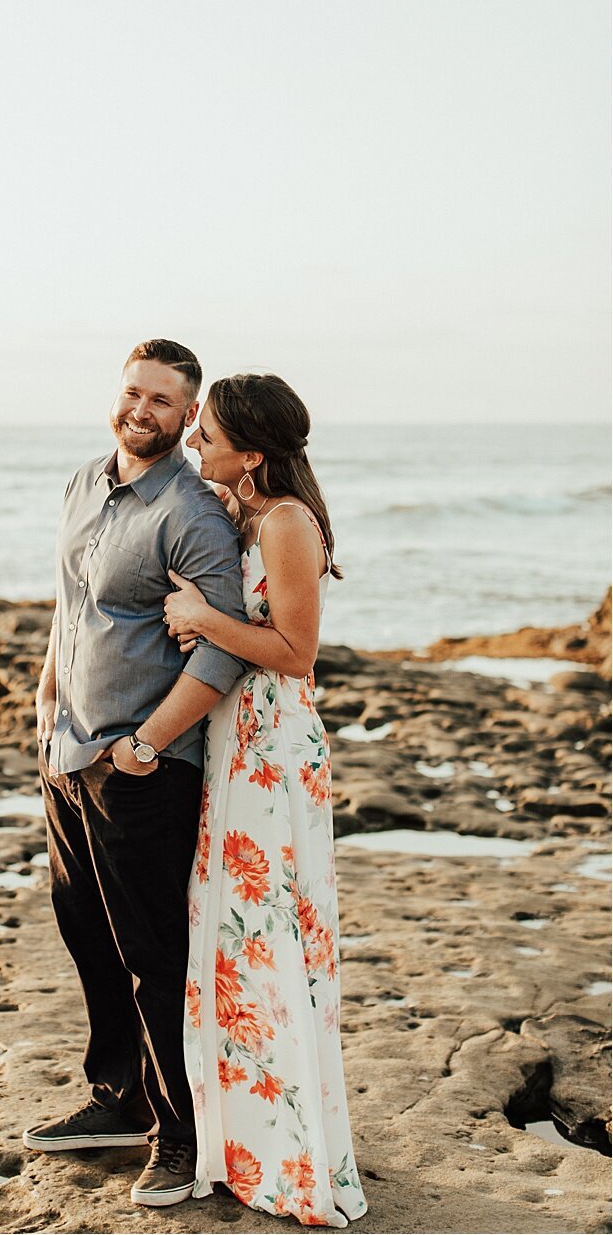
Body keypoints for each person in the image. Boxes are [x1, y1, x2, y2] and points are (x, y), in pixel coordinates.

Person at [22, 339, 248, 1208]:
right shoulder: (83, 481)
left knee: (155, 952)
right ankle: (117, 1099)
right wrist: (46, 697)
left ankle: (182, 1138)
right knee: (85, 931)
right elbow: (70, 603)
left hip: (141, 768)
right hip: (68, 752)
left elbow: (221, 652)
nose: (140, 410)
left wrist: (146, 743)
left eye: (162, 400)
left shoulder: (194, 513)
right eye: (132, 392)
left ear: (189, 415)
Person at [164, 373, 368, 1227]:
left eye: (205, 434)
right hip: (233, 746)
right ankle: (246, 1143)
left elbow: (294, 651)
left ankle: (291, 1157)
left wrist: (204, 618)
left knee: (269, 941)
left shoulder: (286, 522)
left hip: (272, 750)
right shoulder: (242, 515)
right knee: (230, 942)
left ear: (252, 453)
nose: (193, 444)